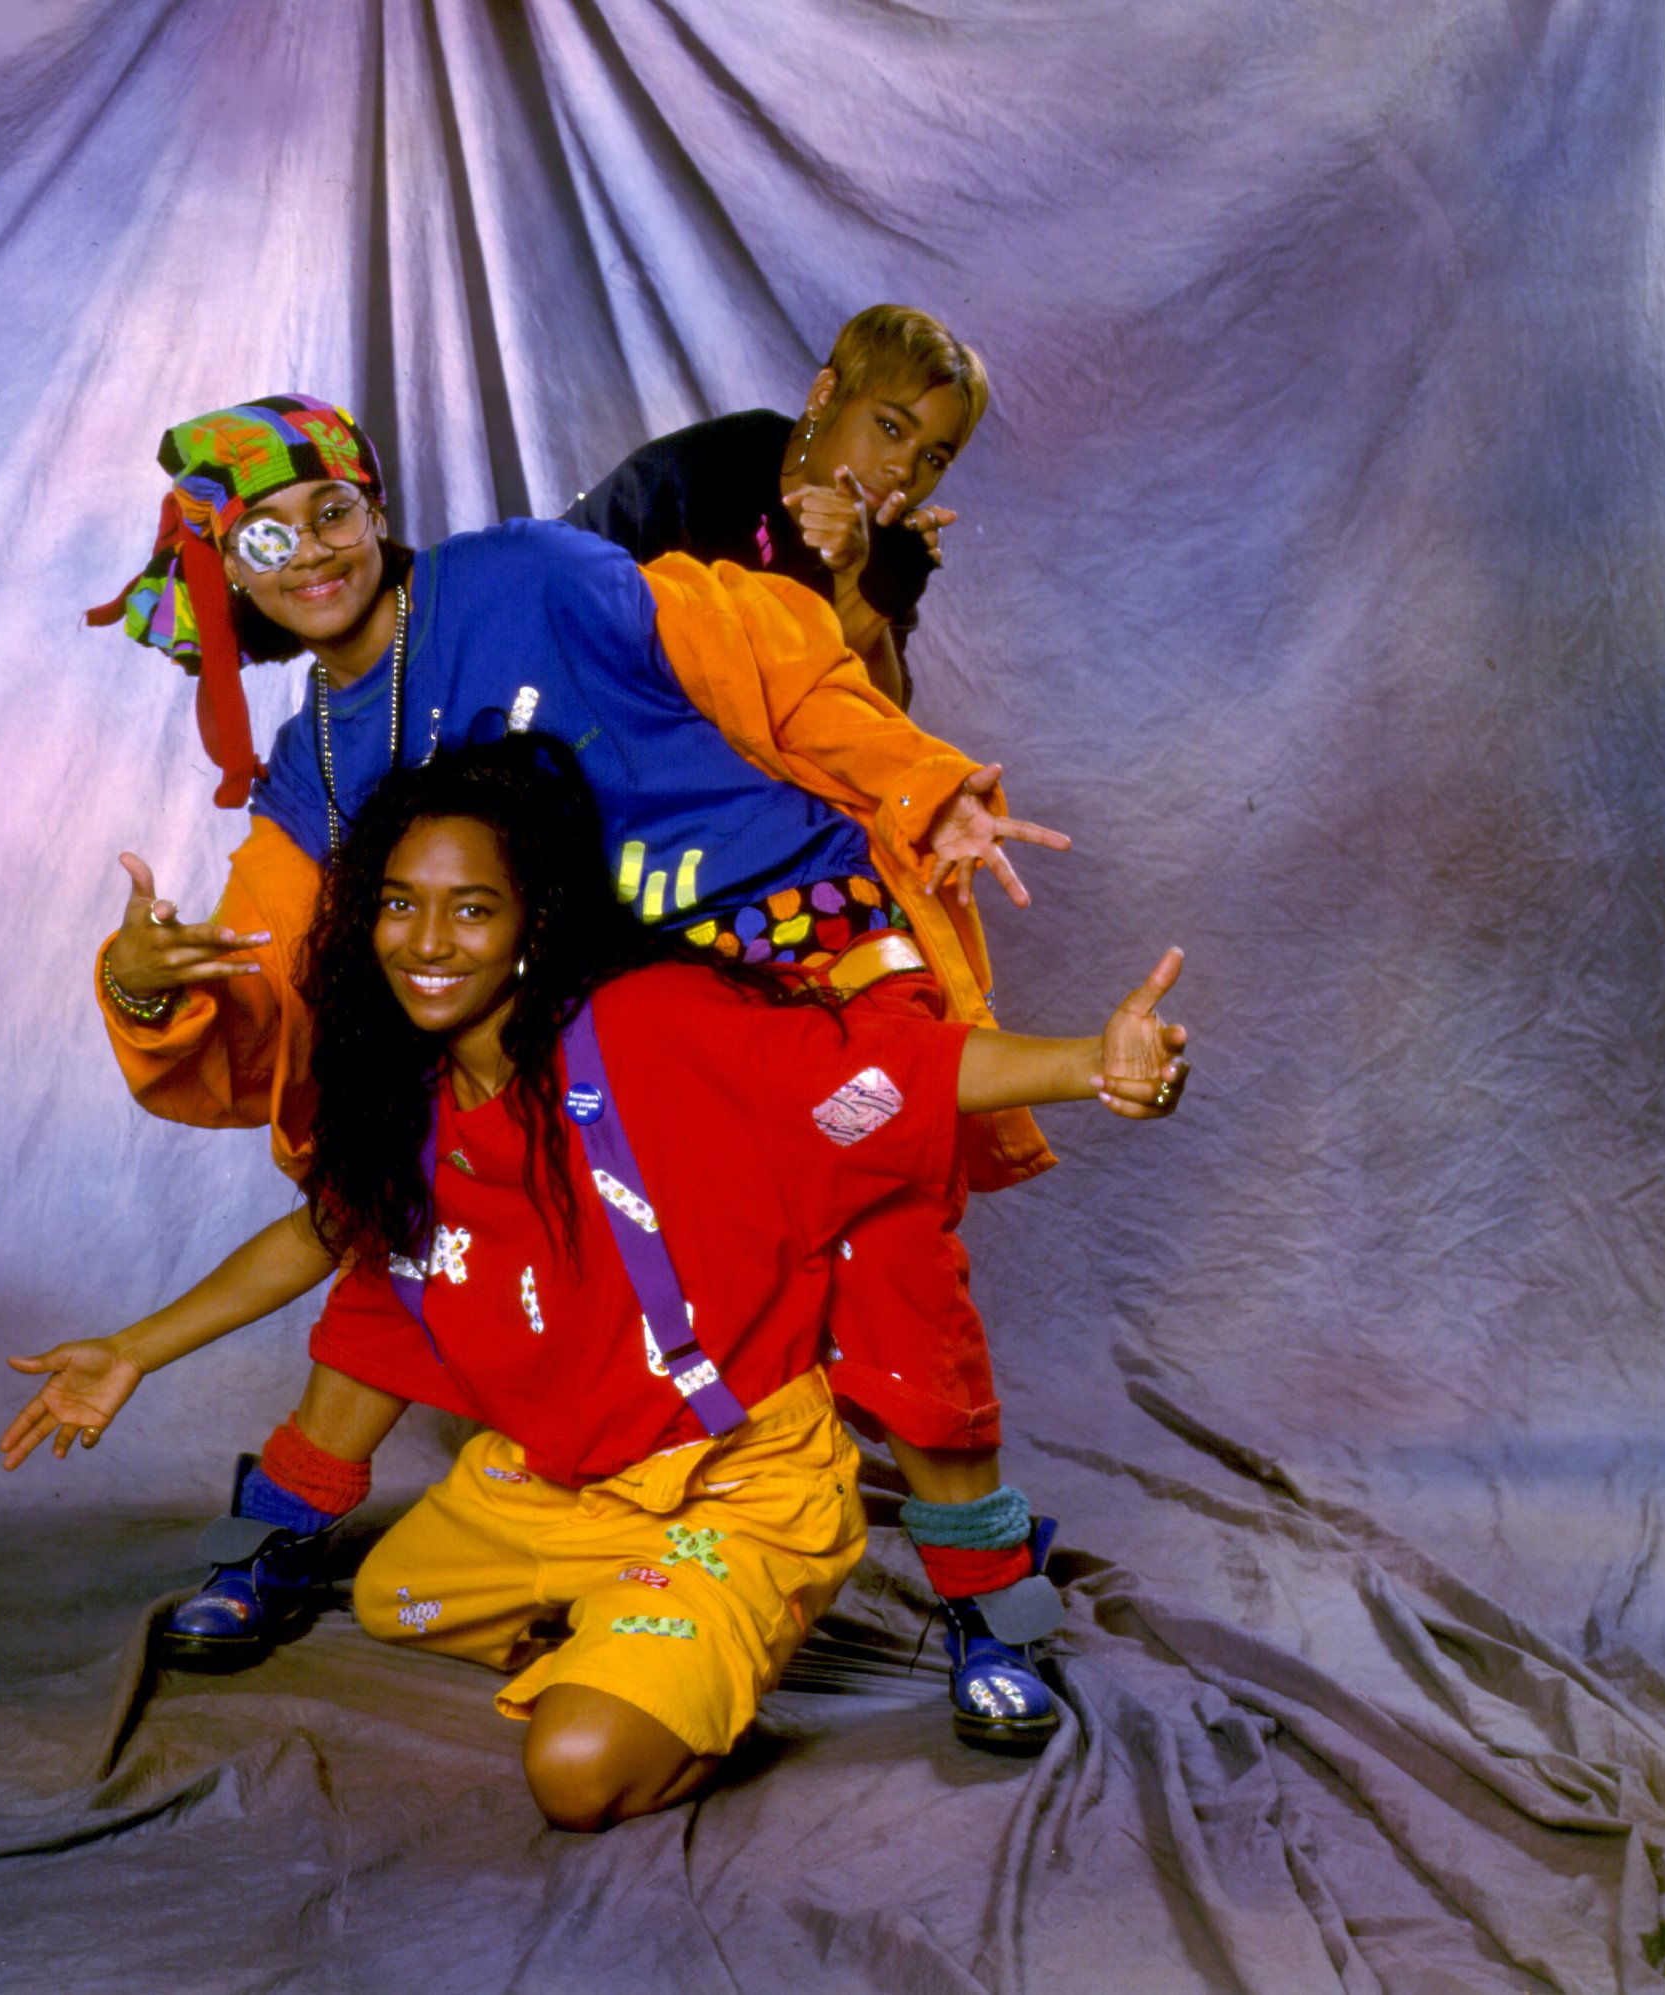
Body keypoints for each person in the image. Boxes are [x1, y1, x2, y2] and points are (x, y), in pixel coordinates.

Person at [84, 393, 1075, 1745]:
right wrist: (148, 990)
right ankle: (290, 1525)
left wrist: (916, 778)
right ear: (230, 574)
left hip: (796, 941)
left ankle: (986, 1591)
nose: (314, 552)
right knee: (421, 1204)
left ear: (378, 509)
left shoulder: (529, 575)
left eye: (334, 511)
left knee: (891, 1243)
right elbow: (260, 990)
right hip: (614, 1022)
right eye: (268, 537)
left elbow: (756, 650)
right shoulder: (310, 770)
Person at [7, 737, 1190, 1828]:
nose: (426, 942)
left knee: (574, 1772)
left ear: (534, 920)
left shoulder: (646, 1023)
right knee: (396, 1595)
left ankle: (710, 1622)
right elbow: (323, 1232)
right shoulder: (410, 1076)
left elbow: (893, 1072)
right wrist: (135, 1348)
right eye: (399, 906)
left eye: (470, 909)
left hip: (729, 1482)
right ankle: (642, 1618)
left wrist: (1093, 1063)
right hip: (563, 1483)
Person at [562, 304, 986, 707]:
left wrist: (872, 588)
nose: (904, 470)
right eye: (891, 428)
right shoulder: (706, 472)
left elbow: (871, 726)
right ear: (824, 395)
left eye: (933, 459)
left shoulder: (888, 544)